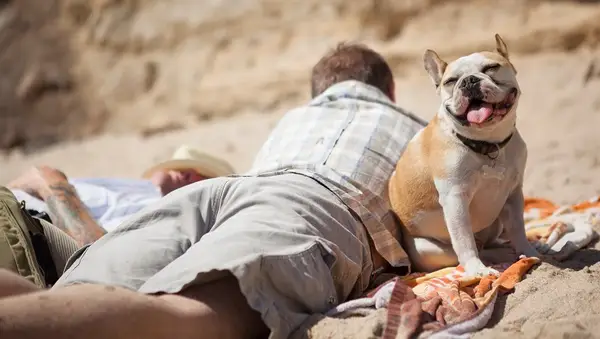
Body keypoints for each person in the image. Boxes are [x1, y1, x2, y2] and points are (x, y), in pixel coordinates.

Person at [0, 43, 427, 339]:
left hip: (228, 191)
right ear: (388, 90)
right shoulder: (418, 132)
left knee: (66, 301)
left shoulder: (296, 119)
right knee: (186, 319)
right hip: (313, 207)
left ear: (319, 94)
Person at [6, 145, 235, 245]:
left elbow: (94, 250)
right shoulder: (129, 188)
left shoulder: (160, 209)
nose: (186, 175)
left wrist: (49, 183)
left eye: (202, 178)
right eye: (183, 168)